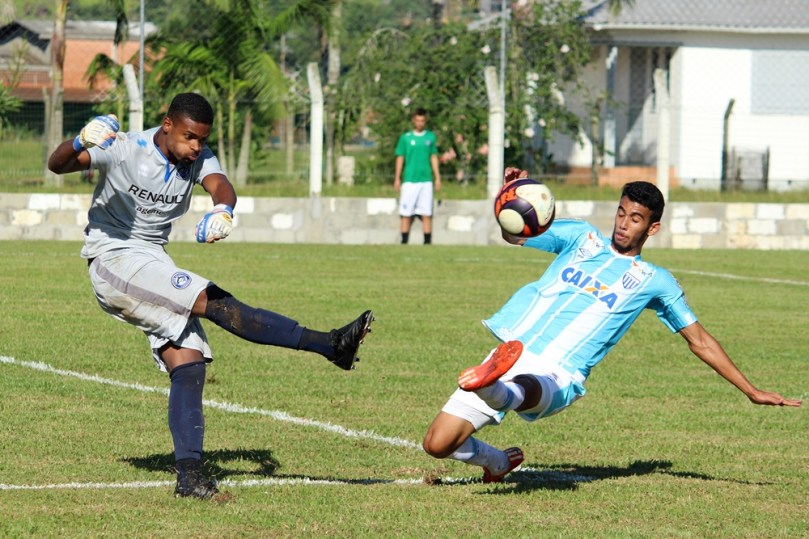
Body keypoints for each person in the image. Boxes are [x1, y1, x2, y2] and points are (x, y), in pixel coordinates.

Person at [47, 93, 374, 500]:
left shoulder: (197, 156)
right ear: (166, 125)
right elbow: (57, 165)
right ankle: (329, 345)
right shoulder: (125, 148)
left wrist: (224, 209)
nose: (196, 148)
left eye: (202, 140)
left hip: (153, 261)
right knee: (216, 302)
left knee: (189, 363)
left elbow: (220, 184)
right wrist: (79, 142)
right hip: (113, 259)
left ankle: (189, 478)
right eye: (189, 138)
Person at [422, 168, 801, 483]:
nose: (623, 224)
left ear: (652, 228)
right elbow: (516, 233)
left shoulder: (656, 280)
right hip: (513, 348)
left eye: (635, 219)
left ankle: (494, 386)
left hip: (558, 372)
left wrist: (751, 390)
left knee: (526, 386)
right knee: (437, 445)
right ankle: (498, 461)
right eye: (621, 213)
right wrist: (513, 197)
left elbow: (699, 341)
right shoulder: (581, 237)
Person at [393, 108, 442, 245]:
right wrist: (397, 178)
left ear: (425, 121)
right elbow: (400, 158)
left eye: (422, 121)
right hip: (409, 180)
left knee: (426, 213)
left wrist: (437, 177)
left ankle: (427, 242)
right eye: (417, 120)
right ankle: (404, 242)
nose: (420, 123)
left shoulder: (430, 137)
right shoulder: (406, 138)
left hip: (426, 180)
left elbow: (433, 157)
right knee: (406, 212)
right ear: (413, 121)